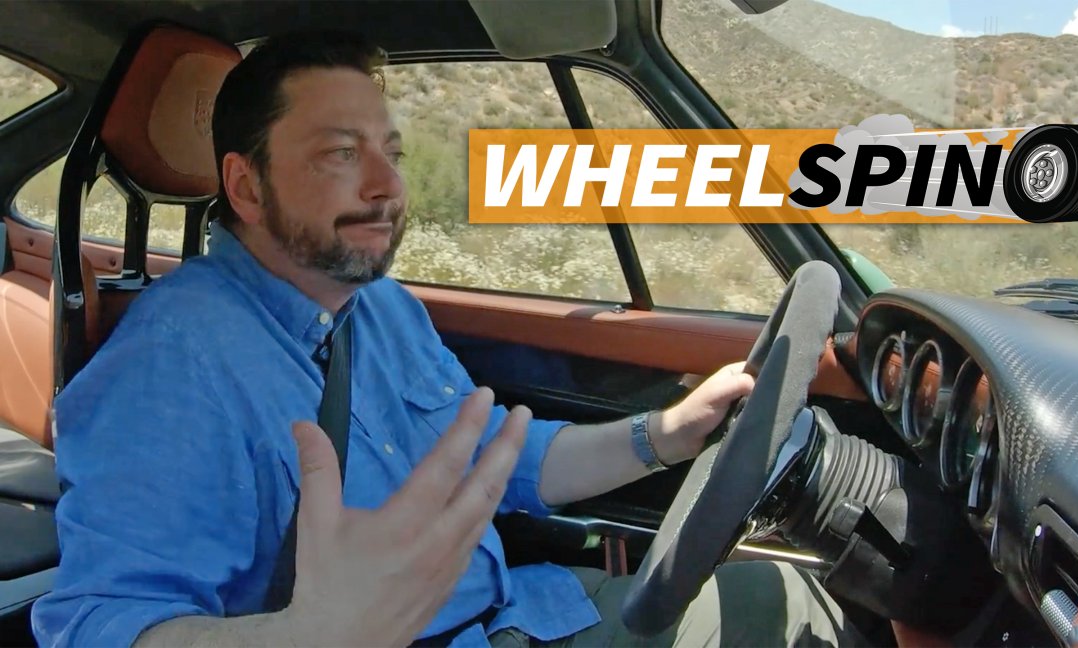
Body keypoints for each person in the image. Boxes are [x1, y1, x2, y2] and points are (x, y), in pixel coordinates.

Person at [31, 30, 858, 647]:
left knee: (797, 607)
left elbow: (499, 460)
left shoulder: (380, 307)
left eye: (390, 152)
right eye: (341, 155)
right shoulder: (169, 364)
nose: (389, 185)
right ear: (246, 187)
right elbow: (98, 623)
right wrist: (307, 637)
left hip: (522, 612)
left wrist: (665, 434)